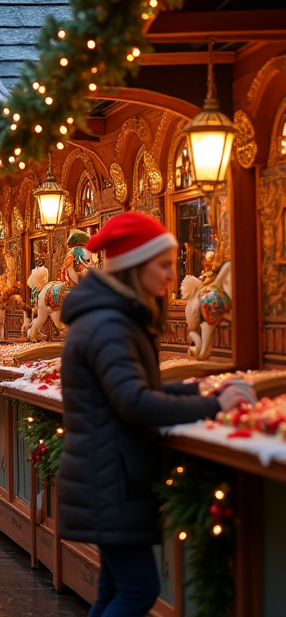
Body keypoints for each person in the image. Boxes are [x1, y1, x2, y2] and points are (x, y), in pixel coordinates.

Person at [57, 212, 247, 617]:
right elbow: (136, 403)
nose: (169, 277)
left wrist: (197, 388)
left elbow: (138, 389)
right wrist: (214, 404)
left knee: (114, 588)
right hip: (112, 474)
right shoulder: (110, 323)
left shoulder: (109, 317)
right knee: (138, 590)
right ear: (134, 266)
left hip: (107, 472)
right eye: (163, 266)